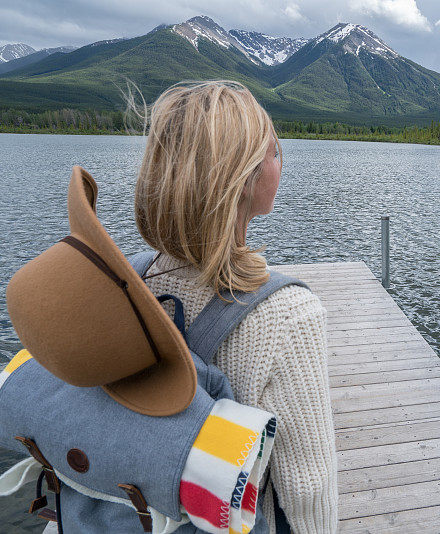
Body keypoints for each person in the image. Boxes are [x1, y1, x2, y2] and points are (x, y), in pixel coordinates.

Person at [132, 80, 339, 533]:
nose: (279, 161)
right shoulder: (289, 315)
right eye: (274, 150)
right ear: (244, 178)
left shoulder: (131, 277)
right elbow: (308, 487)